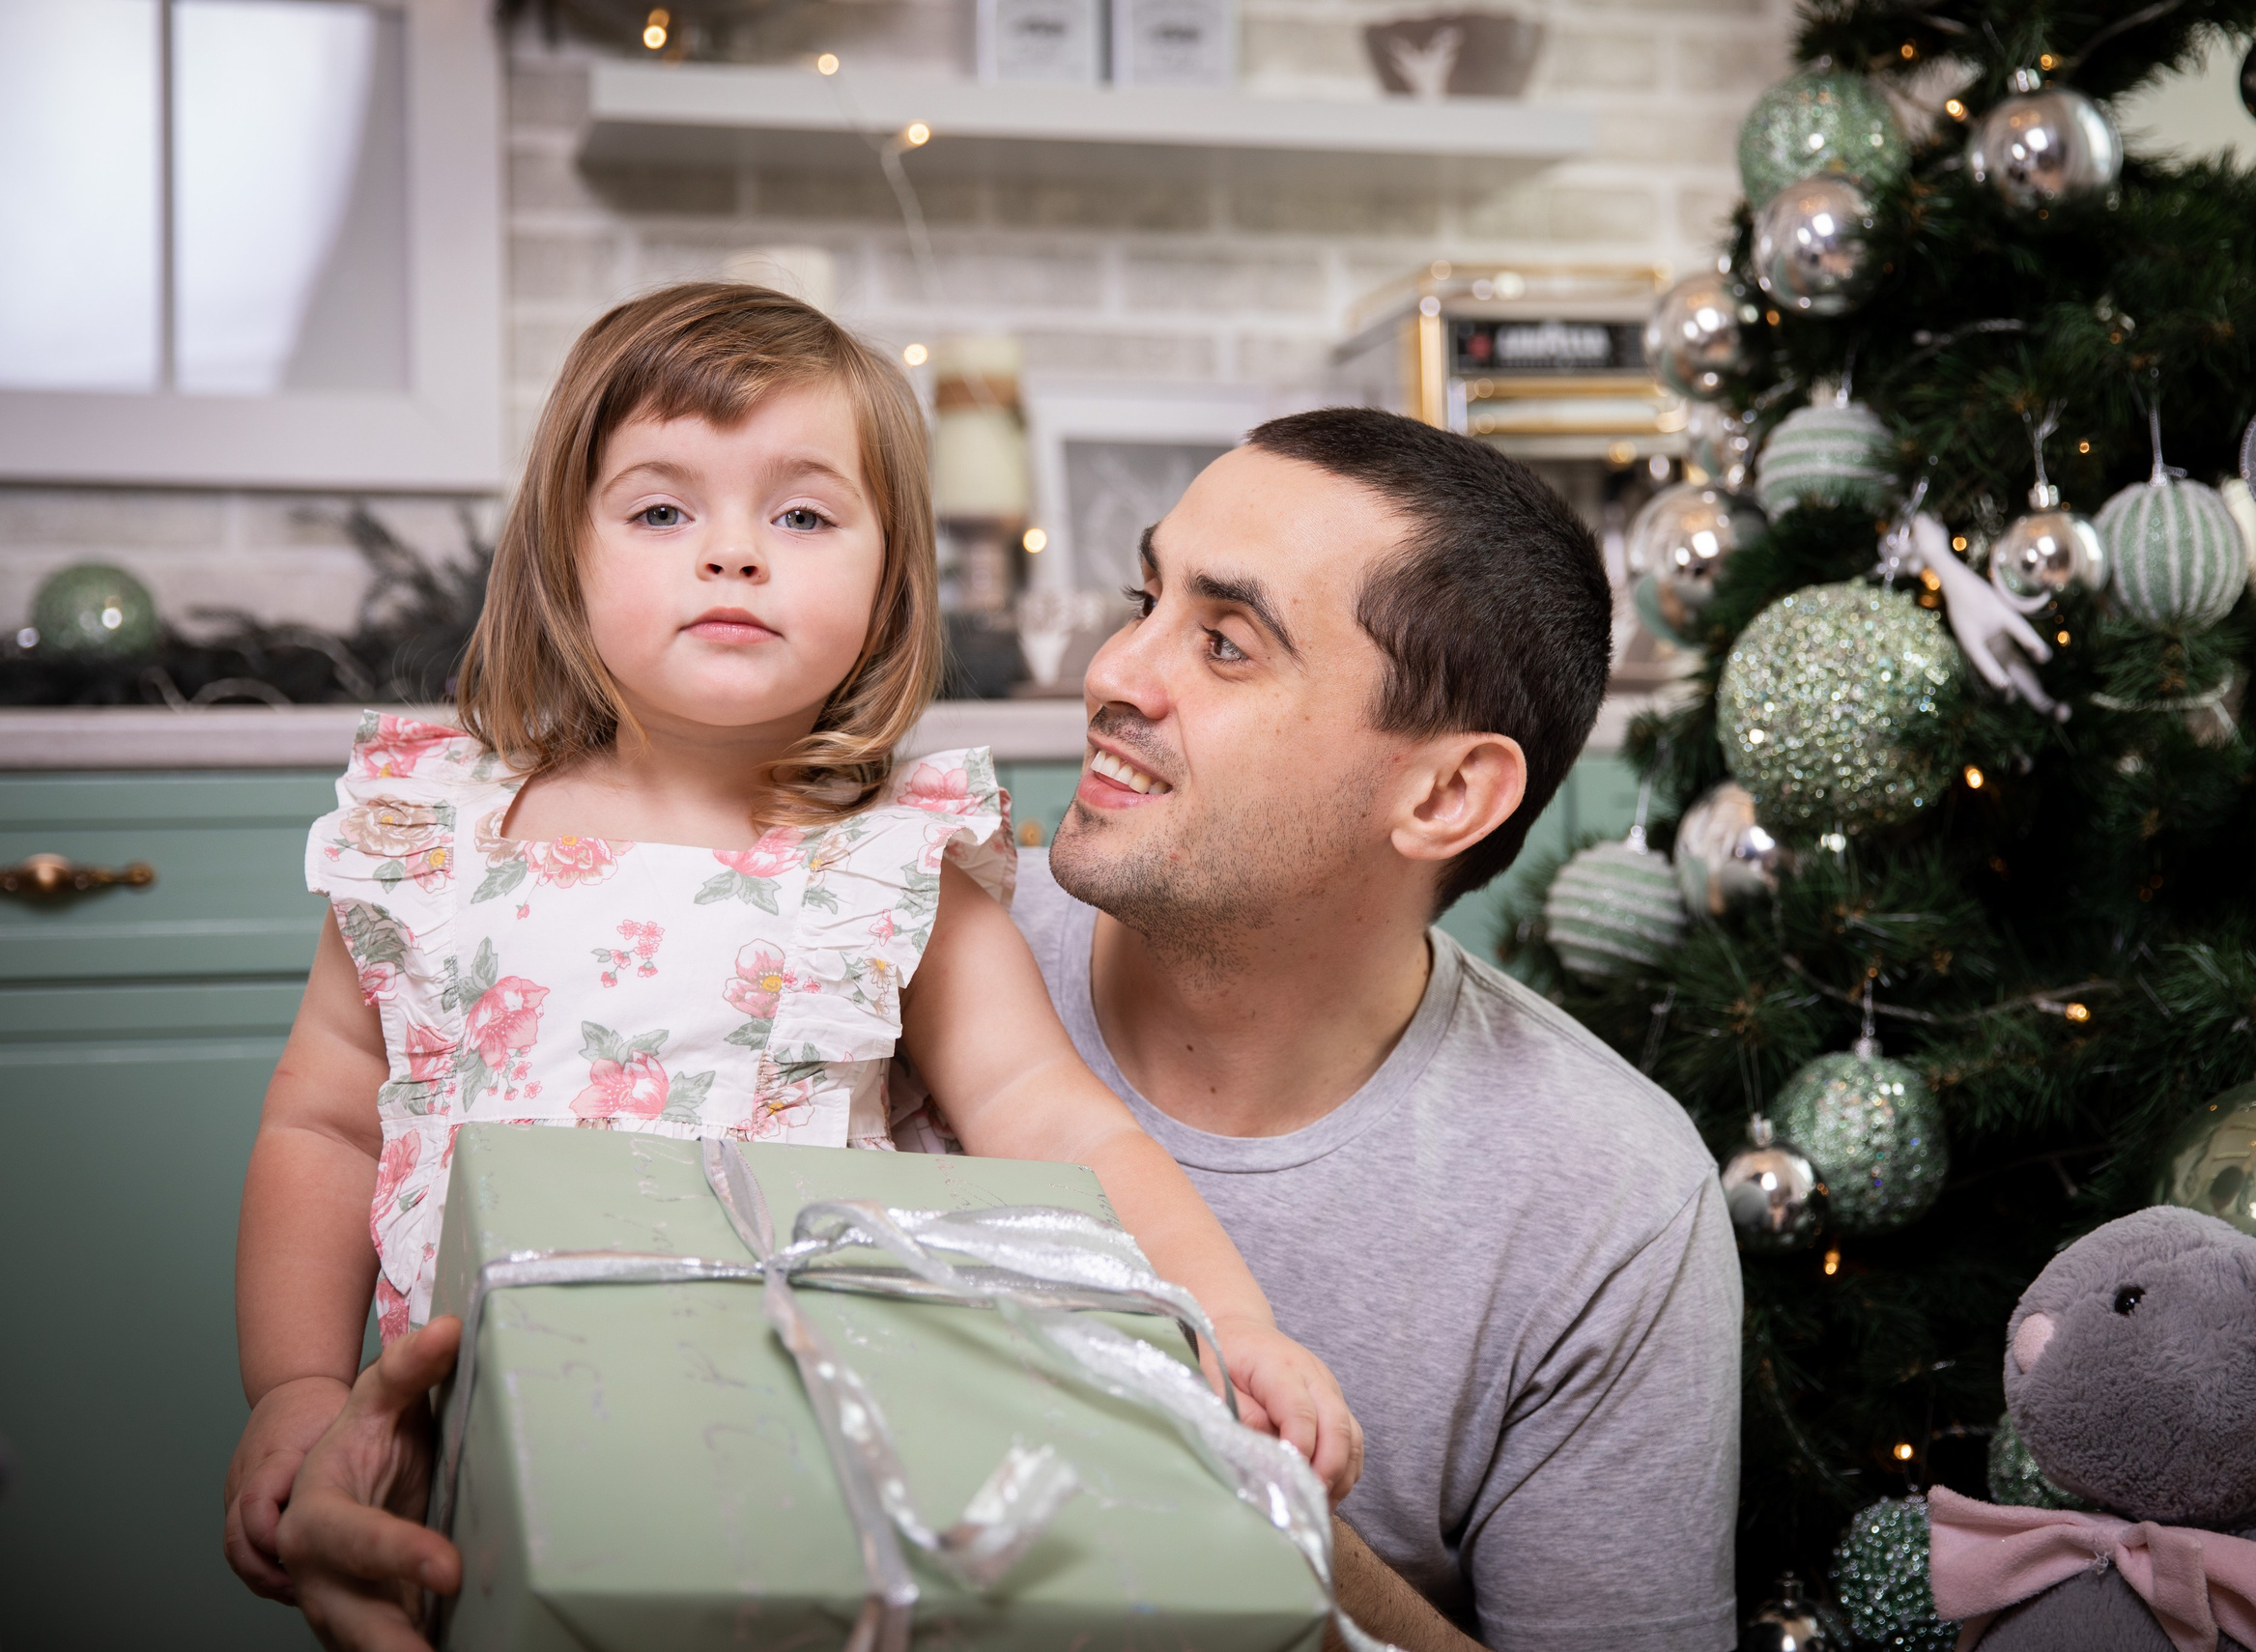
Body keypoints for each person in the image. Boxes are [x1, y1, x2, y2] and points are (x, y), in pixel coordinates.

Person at [220, 284, 1359, 1649]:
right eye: (661, 510)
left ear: (890, 579)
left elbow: (1056, 1122)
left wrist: (1228, 1320)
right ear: (558, 555)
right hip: (463, 1439)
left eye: (804, 515)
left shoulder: (893, 866)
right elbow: (328, 1118)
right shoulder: (432, 833)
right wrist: (293, 1388)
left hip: (801, 1446)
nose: (734, 556)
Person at [1011, 408, 1743, 1651]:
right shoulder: (886, 956)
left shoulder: (1609, 1204)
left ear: (1445, 793)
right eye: (1146, 600)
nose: (1115, 675)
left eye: (1226, 643)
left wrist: (1253, 1496)